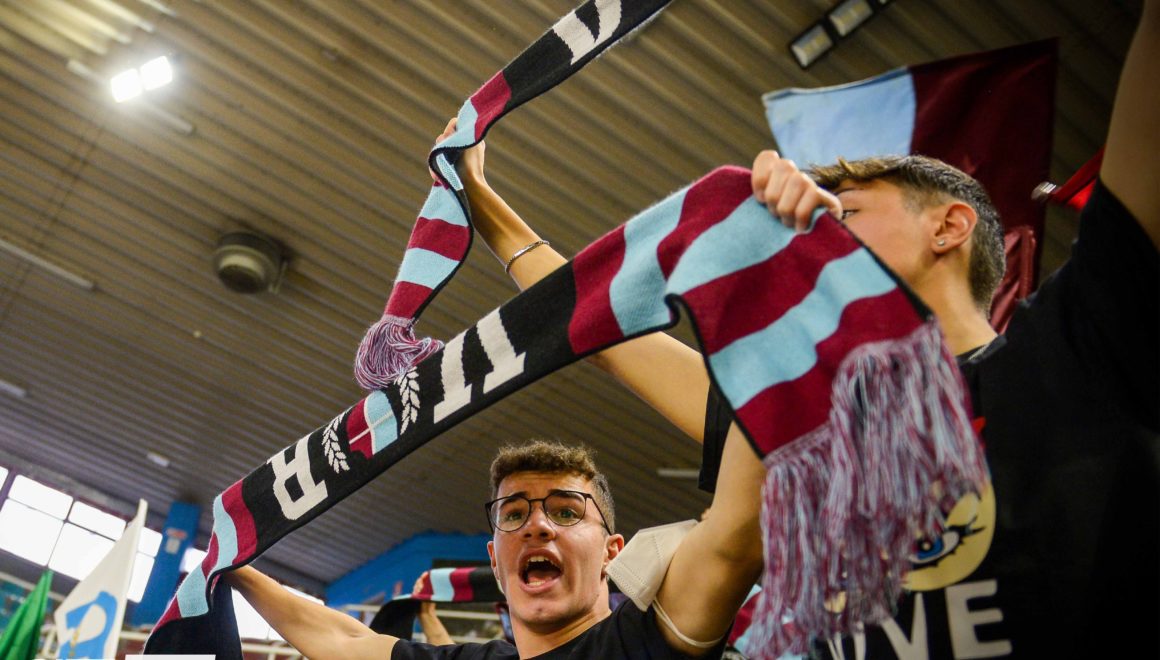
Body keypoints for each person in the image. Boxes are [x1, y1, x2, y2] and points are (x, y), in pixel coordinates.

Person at [454, 2, 1159, 656]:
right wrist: (480, 203)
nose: (814, 230)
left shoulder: (1074, 350)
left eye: (843, 213)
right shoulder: (803, 422)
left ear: (948, 227)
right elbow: (602, 331)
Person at [227, 435, 766, 658]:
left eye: (566, 511)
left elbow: (740, 528)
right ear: (494, 559)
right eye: (514, 514)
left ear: (611, 552)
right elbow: (342, 636)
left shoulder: (646, 641)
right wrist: (230, 569)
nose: (537, 526)